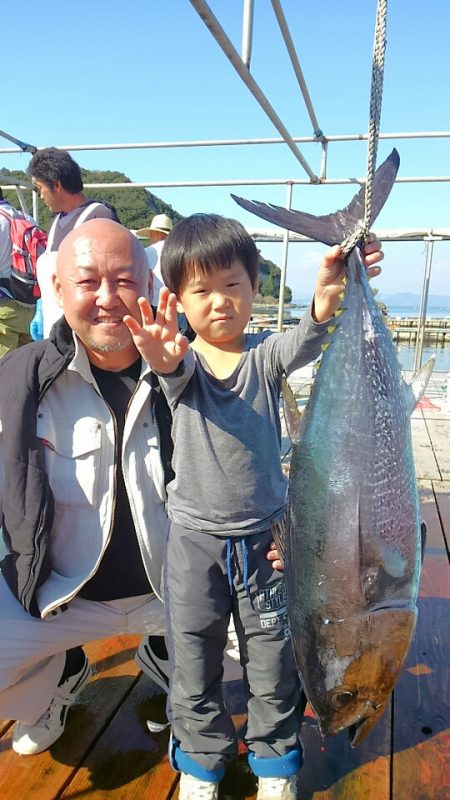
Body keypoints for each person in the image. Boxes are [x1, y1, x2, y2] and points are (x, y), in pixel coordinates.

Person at [123, 213, 384, 800]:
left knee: (274, 662)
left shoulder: (266, 357)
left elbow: (311, 335)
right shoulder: (182, 364)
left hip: (266, 542)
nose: (220, 302)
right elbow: (170, 367)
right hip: (194, 546)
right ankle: (200, 763)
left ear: (254, 288)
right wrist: (163, 357)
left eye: (233, 286)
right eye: (201, 291)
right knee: (194, 662)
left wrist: (325, 294)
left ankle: (275, 764)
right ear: (178, 301)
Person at [0, 218, 280, 759]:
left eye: (124, 280)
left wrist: (283, 533)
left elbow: (268, 466)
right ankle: (55, 679)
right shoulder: (18, 377)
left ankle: (167, 657)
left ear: (151, 285)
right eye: (87, 282)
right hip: (61, 597)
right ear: (57, 289)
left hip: (183, 590)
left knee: (278, 638)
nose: (108, 299)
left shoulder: (208, 369)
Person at [27, 147, 120, 339]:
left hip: (83, 331)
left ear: (57, 185)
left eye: (41, 188)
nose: (41, 196)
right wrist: (42, 306)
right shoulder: (56, 223)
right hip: (55, 328)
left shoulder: (98, 215)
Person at [0, 190, 37, 357]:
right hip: (29, 304)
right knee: (24, 368)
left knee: (3, 370)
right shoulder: (25, 218)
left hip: (4, 307)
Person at [136, 213, 173, 305]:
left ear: (154, 233)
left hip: (153, 305)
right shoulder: (180, 252)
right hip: (177, 305)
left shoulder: (145, 252)